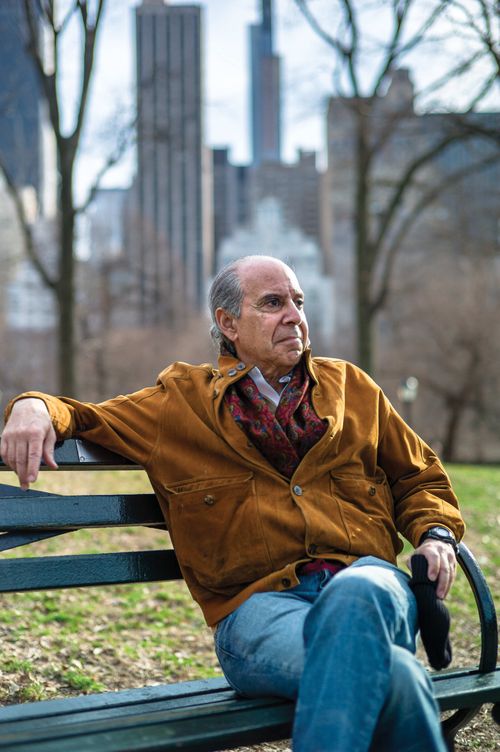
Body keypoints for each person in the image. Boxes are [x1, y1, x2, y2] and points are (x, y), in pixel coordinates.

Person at [1, 255, 464, 752]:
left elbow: (420, 477)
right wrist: (31, 405)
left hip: (369, 585)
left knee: (358, 595)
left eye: (298, 302)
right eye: (272, 303)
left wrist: (435, 535)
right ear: (228, 324)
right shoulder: (179, 403)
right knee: (392, 672)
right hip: (260, 616)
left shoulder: (353, 389)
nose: (294, 315)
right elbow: (82, 417)